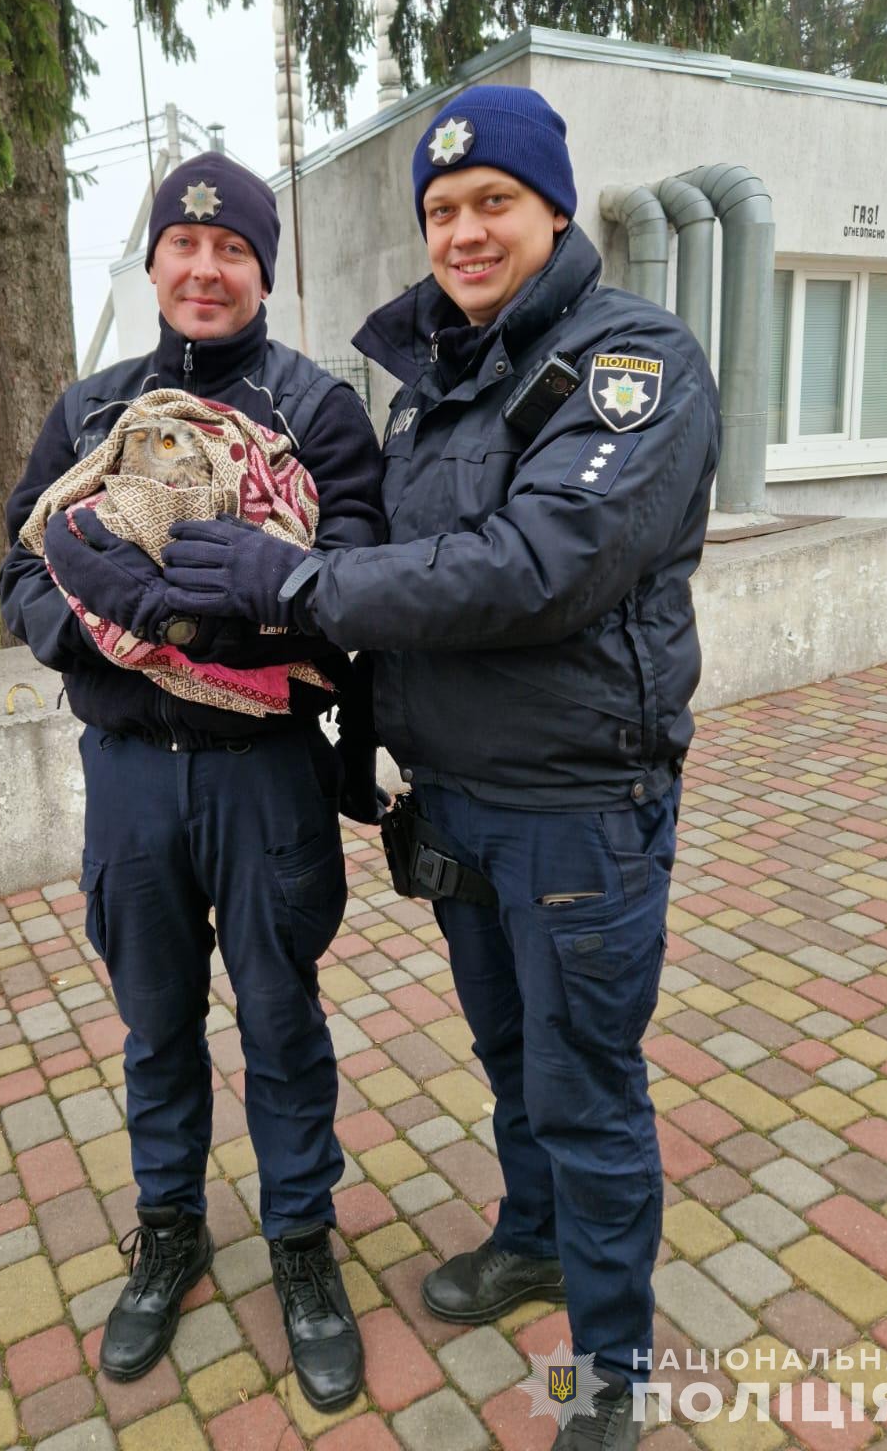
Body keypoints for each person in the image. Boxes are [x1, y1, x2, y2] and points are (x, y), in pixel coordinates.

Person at [159, 87, 721, 1451]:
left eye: (492, 206)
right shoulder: (441, 385)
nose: (464, 234)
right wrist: (362, 729)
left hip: (580, 807)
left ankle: (612, 1368)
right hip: (459, 799)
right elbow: (405, 585)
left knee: (588, 1089)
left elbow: (538, 568)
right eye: (442, 213)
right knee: (510, 1055)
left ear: (553, 209)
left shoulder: (631, 363)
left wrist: (297, 580)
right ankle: (532, 1239)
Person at [0, 153, 385, 1412]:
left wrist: (228, 620)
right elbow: (19, 566)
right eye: (184, 247)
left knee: (281, 1025)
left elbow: (357, 585)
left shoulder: (316, 413)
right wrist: (94, 629)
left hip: (264, 776)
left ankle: (302, 1246)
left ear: (261, 268)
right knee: (156, 1027)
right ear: (155, 260)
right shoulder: (93, 409)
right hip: (131, 785)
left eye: (233, 251)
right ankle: (169, 1230)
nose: (206, 270)